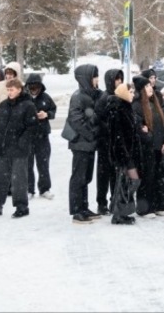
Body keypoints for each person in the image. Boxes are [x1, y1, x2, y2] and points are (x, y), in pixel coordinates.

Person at [0, 78, 37, 220]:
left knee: (19, 180)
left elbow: (31, 128)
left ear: (19, 90)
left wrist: (22, 143)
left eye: (12, 90)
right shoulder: (4, 105)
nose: (9, 92)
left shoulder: (28, 106)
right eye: (8, 90)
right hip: (4, 149)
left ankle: (22, 207)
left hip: (19, 150)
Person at [132, 75, 164, 218]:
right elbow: (138, 127)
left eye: (150, 86)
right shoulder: (137, 105)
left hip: (158, 147)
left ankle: (159, 205)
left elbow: (162, 125)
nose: (150, 88)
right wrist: (146, 135)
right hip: (146, 148)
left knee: (159, 177)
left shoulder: (155, 104)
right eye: (146, 87)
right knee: (147, 178)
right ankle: (145, 208)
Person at [65, 64, 102, 224]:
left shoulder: (91, 94)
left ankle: (84, 207)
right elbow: (75, 120)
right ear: (86, 78)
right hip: (81, 144)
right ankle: (77, 211)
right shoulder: (78, 96)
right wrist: (91, 134)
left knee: (86, 177)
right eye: (94, 76)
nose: (97, 79)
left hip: (89, 144)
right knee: (78, 177)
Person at [107, 82, 141, 226]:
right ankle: (118, 213)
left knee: (126, 182)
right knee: (128, 182)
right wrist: (123, 155)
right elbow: (117, 136)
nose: (133, 94)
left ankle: (120, 211)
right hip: (123, 154)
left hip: (129, 152)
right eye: (131, 92)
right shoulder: (118, 110)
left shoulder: (127, 108)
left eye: (133, 92)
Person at [94, 68, 124, 215]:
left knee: (115, 174)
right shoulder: (104, 98)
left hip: (117, 143)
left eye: (120, 79)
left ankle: (115, 200)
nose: (119, 82)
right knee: (103, 174)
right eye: (116, 79)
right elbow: (99, 120)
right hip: (105, 143)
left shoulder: (120, 96)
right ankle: (102, 203)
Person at [25, 73, 57, 200]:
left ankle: (44, 189)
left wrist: (47, 114)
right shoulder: (24, 98)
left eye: (36, 87)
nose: (34, 89)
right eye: (31, 87)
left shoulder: (46, 98)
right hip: (27, 136)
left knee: (43, 163)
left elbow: (53, 110)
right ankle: (29, 189)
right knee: (28, 164)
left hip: (42, 136)